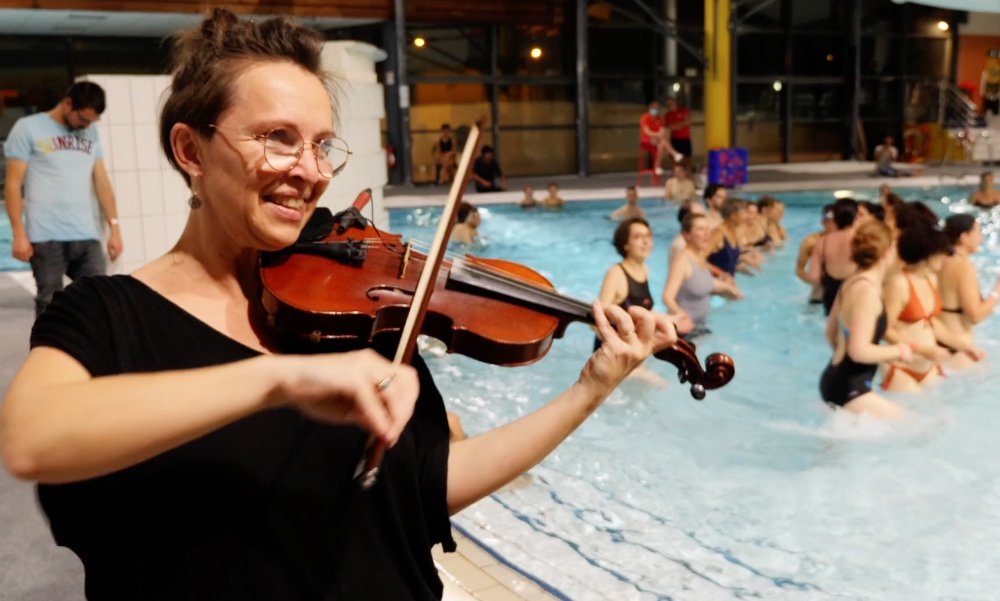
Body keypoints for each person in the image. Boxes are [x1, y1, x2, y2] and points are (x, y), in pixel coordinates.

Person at [0, 11, 677, 600]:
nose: (312, 170)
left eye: (322, 144)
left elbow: (428, 487)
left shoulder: (348, 310)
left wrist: (591, 387)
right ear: (190, 149)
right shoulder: (109, 312)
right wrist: (279, 379)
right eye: (278, 138)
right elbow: (32, 435)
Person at [4, 81, 124, 317]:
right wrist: (19, 233)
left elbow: (102, 182)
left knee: (101, 299)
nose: (87, 125)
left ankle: (94, 353)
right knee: (50, 306)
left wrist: (115, 228)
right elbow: (12, 184)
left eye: (92, 121)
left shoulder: (90, 132)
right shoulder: (28, 128)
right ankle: (48, 353)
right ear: (68, 104)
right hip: (46, 238)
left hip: (86, 235)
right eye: (83, 119)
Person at [820, 220, 912, 418]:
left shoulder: (852, 281)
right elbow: (858, 351)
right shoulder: (867, 292)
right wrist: (898, 350)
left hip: (837, 378)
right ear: (887, 252)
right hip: (850, 387)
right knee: (916, 426)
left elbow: (830, 332)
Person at [596, 218, 685, 383]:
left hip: (633, 352)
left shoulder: (645, 270)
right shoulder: (616, 273)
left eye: (648, 236)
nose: (646, 241)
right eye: (638, 237)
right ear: (626, 245)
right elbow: (595, 322)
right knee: (664, 385)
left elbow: (636, 310)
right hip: (614, 359)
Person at [881, 222, 951, 392]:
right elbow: (883, 329)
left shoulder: (930, 279)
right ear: (927, 255)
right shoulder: (899, 284)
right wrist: (923, 350)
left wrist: (965, 346)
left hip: (928, 366)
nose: (944, 257)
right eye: (940, 253)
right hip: (901, 367)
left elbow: (931, 323)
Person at [935, 214, 1000, 370]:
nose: (982, 239)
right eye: (978, 233)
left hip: (938, 340)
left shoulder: (938, 259)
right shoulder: (964, 267)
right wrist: (997, 290)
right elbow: (975, 315)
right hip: (958, 347)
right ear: (964, 237)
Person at [662, 212, 742, 337]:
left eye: (707, 229)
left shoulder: (699, 257)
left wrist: (728, 289)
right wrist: (683, 317)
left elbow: (701, 283)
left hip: (700, 327)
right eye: (700, 229)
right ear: (687, 235)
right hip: (685, 334)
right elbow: (667, 297)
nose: (707, 233)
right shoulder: (682, 261)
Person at [808, 198, 859, 315]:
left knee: (834, 330)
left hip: (831, 292)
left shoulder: (823, 241)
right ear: (855, 217)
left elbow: (814, 277)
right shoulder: (861, 239)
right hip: (855, 288)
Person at [796, 204, 836, 304]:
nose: (830, 223)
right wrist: (816, 281)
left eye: (833, 220)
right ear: (822, 221)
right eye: (827, 219)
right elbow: (799, 270)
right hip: (818, 296)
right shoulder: (811, 241)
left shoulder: (848, 240)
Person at [639, 101, 682, 176]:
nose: (655, 110)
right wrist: (658, 135)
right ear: (650, 108)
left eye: (657, 108)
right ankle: (673, 153)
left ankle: (657, 166)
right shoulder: (645, 117)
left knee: (662, 144)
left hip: (658, 139)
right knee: (663, 141)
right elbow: (647, 131)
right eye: (654, 108)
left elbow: (662, 130)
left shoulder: (660, 118)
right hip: (647, 139)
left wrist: (659, 135)